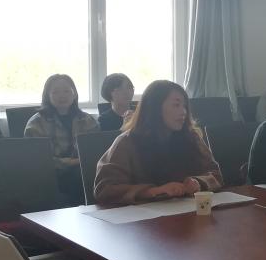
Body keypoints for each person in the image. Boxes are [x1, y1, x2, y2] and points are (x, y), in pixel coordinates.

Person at [94, 80, 222, 205]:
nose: (183, 111)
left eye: (184, 106)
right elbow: (105, 189)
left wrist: (198, 182)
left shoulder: (191, 137)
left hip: (186, 211)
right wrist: (152, 191)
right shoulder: (127, 142)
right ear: (154, 108)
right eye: (176, 105)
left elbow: (215, 174)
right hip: (142, 216)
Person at [25, 74, 99, 205]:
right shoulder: (37, 123)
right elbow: (39, 160)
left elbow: (95, 152)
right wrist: (74, 162)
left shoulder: (87, 120)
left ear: (74, 94)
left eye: (66, 91)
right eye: (55, 92)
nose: (62, 96)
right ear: (47, 95)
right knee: (77, 178)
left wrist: (81, 163)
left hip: (83, 171)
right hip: (52, 174)